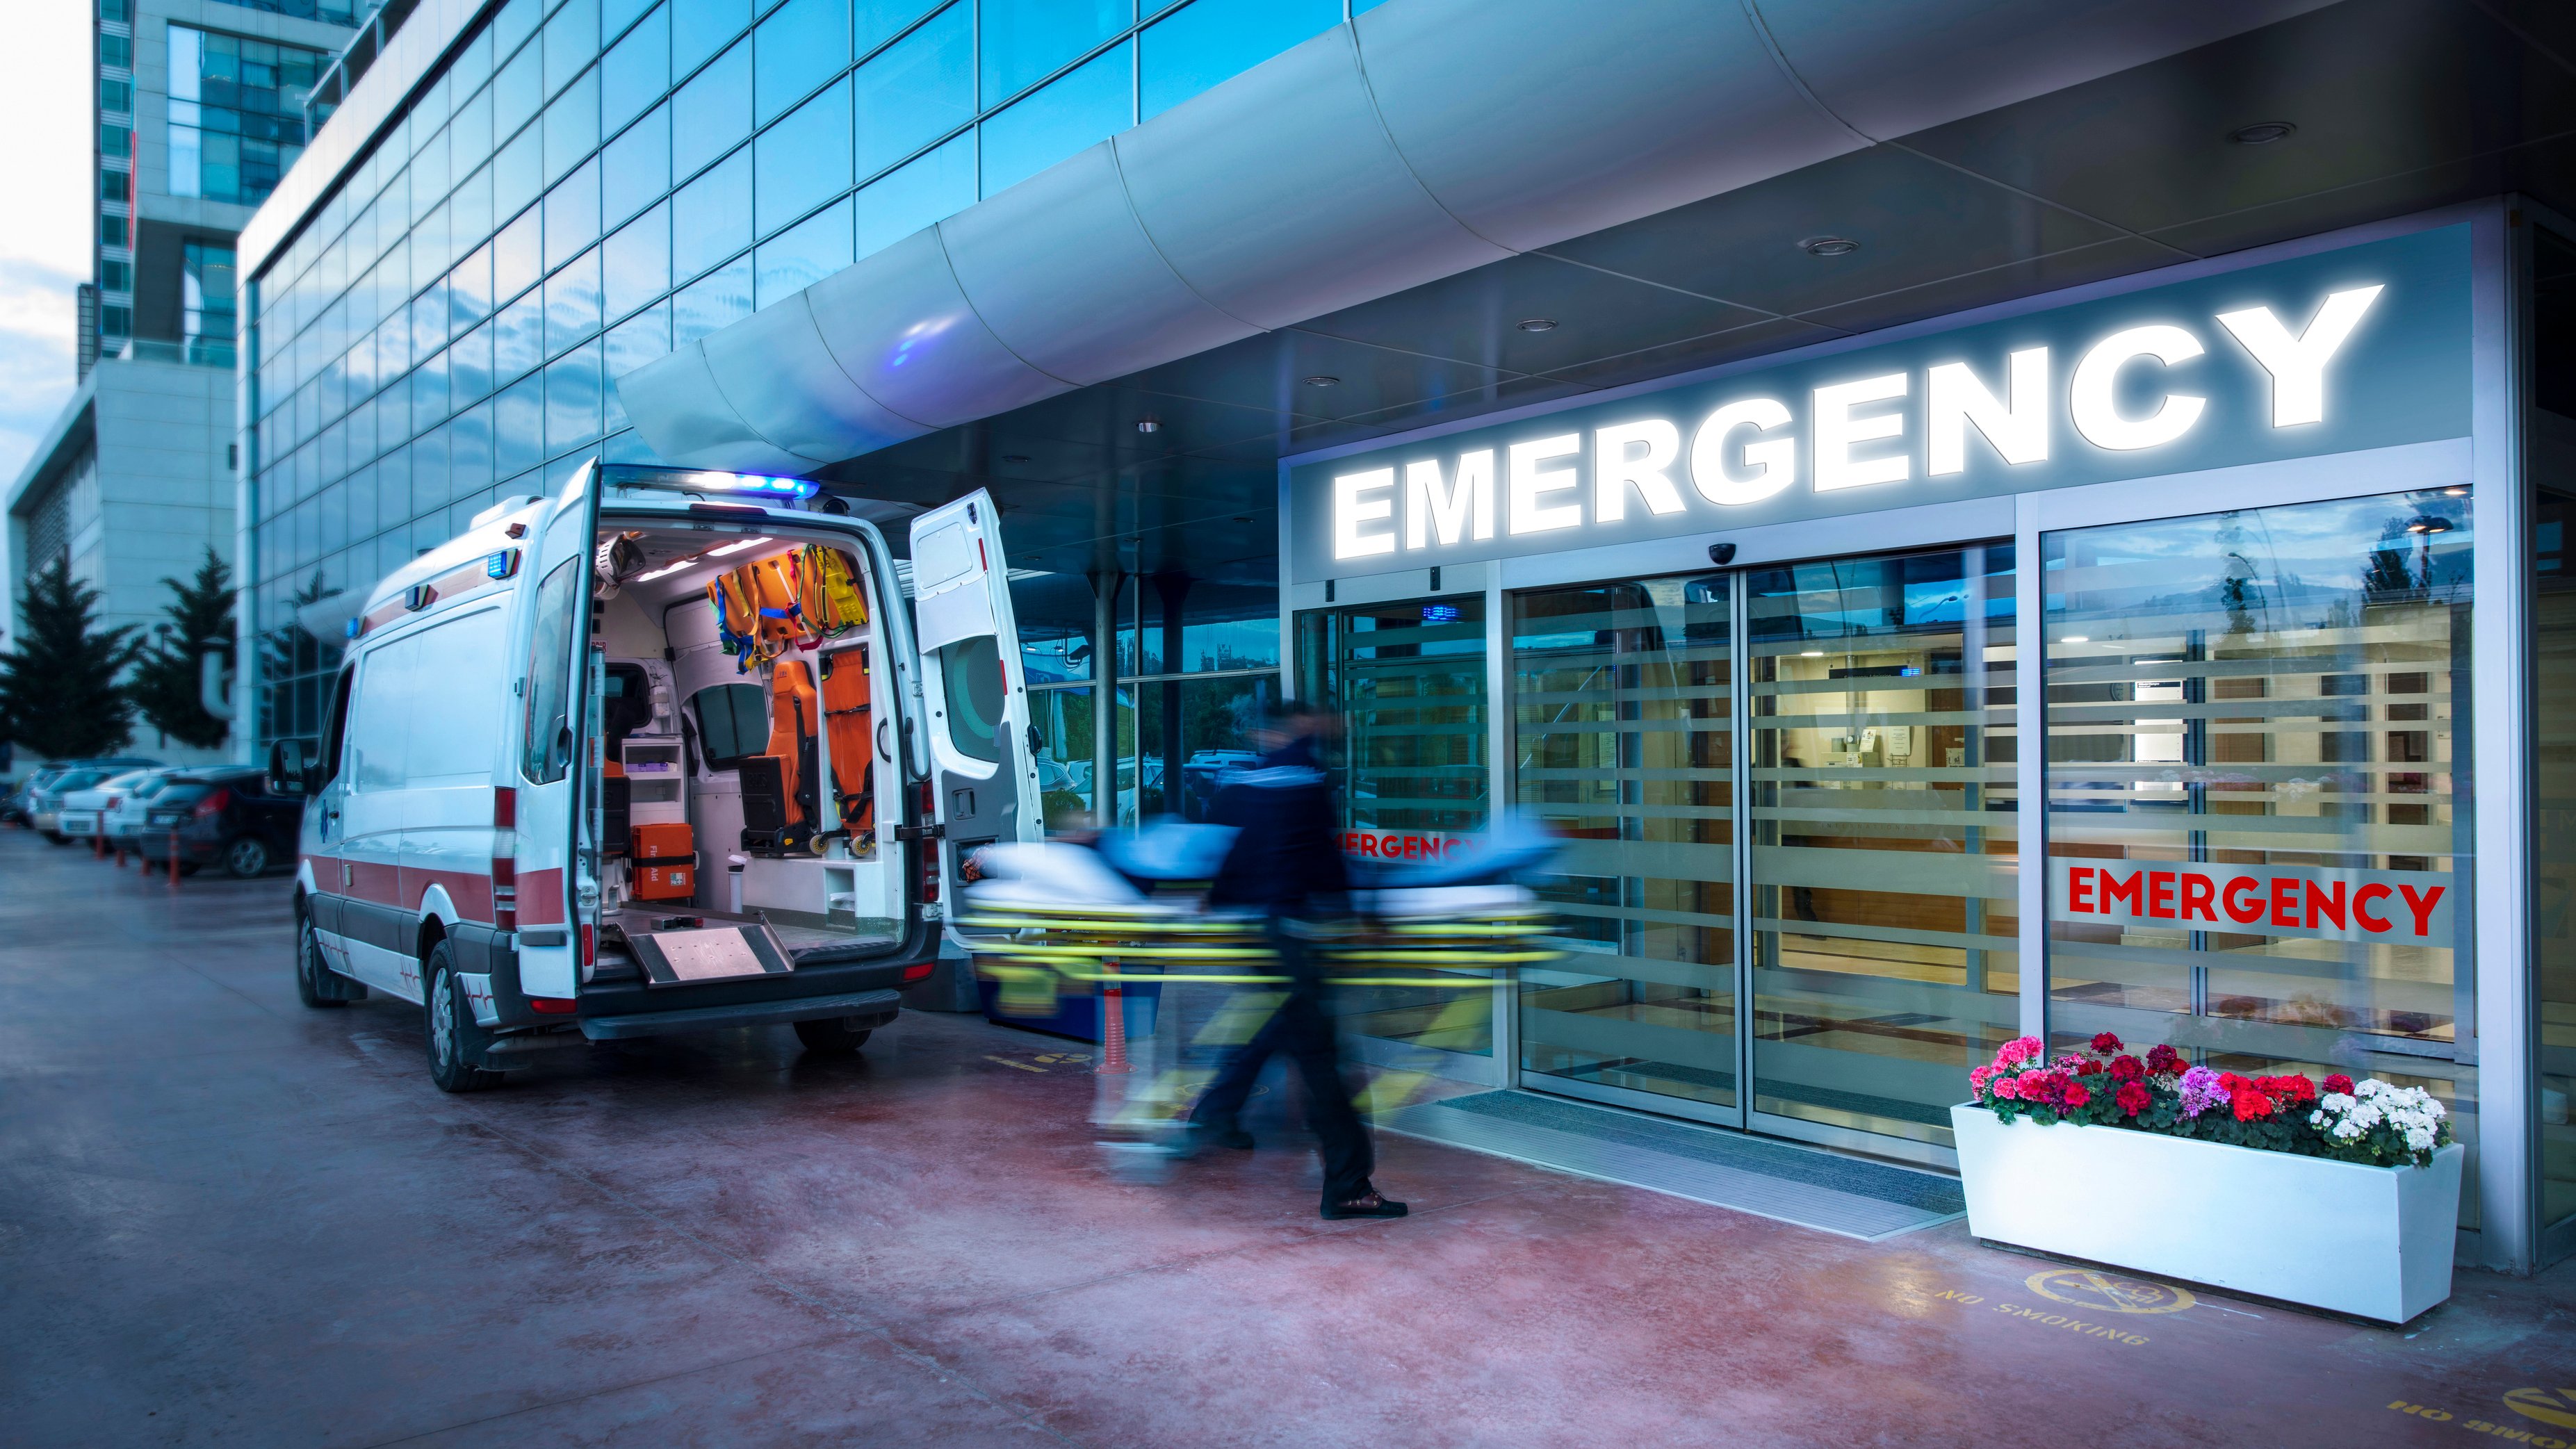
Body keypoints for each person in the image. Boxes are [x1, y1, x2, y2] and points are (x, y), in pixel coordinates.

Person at [1187, 701, 1405, 1220]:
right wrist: (1359, 919)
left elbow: (1222, 864)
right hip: (1290, 939)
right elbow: (1324, 865)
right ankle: (1349, 1185)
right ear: (1294, 728)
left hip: (1261, 938)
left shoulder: (1242, 787)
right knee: (1322, 1064)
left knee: (1279, 1032)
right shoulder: (1304, 782)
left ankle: (1215, 1115)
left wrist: (1215, 905)